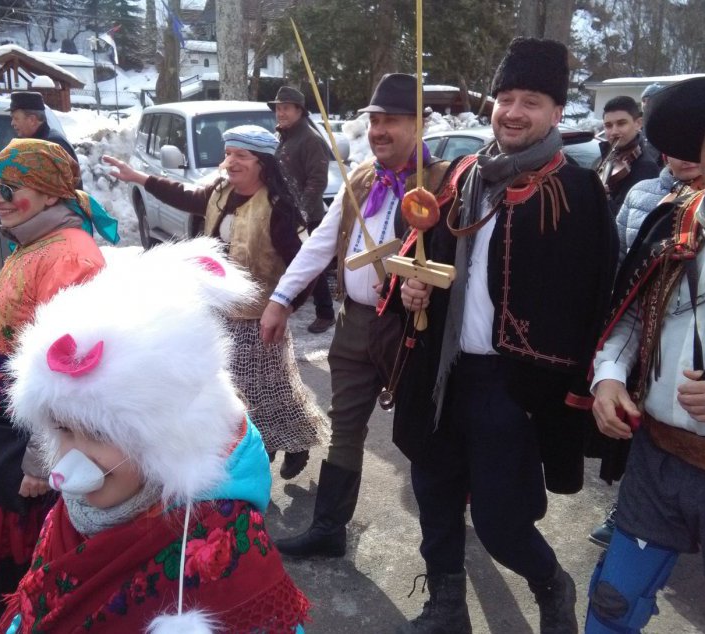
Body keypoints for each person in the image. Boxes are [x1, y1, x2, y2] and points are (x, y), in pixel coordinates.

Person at [394, 38, 617, 633]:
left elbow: (595, 300)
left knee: (499, 520)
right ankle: (445, 605)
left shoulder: (576, 191)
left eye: (532, 101)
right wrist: (418, 292)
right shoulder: (464, 174)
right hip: (445, 371)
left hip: (511, 384)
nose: (514, 111)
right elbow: (429, 258)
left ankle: (551, 583)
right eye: (506, 98)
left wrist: (570, 393)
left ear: (556, 112)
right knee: (434, 491)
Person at [0, 238, 311, 634]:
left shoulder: (223, 543)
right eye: (62, 430)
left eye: (96, 432)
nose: (71, 459)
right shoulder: (76, 509)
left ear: (169, 437)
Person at [587, 75, 705, 634]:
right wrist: (608, 376)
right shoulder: (670, 222)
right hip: (657, 459)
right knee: (613, 604)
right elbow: (628, 319)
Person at [0, 138, 119, 627]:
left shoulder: (69, 259)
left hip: (35, 433)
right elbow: (17, 321)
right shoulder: (32, 242)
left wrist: (40, 459)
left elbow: (69, 373)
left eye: (9, 187)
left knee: (35, 545)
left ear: (52, 194)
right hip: (10, 414)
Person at [259, 73, 451, 559]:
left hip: (411, 328)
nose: (380, 131)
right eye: (375, 121)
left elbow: (458, 261)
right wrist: (281, 300)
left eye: (392, 121)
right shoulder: (360, 176)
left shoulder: (445, 182)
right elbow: (323, 241)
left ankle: (444, 540)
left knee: (426, 431)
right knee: (345, 426)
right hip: (354, 323)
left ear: (419, 124)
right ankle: (328, 528)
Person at [102, 125, 327, 481]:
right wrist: (139, 177)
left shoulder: (279, 208)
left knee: (270, 388)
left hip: (260, 317)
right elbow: (185, 194)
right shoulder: (221, 192)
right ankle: (258, 453)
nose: (230, 162)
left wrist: (285, 307)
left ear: (262, 163)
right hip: (220, 312)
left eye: (241, 156)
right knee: (238, 389)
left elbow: (308, 265)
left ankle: (284, 446)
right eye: (228, 154)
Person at [588, 155, 702, 548]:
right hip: (656, 425)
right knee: (615, 598)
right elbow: (634, 302)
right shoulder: (665, 212)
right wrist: (609, 374)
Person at [268, 85, 334, 334]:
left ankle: (326, 313)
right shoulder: (283, 136)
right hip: (287, 213)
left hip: (309, 217)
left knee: (310, 264)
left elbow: (317, 181)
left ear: (299, 110)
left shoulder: (310, 139)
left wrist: (302, 215)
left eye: (285, 108)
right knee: (291, 261)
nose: (280, 113)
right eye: (277, 108)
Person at [598, 96, 660, 214]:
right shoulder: (609, 156)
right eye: (608, 125)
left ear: (638, 123)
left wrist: (604, 197)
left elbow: (628, 220)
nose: (614, 132)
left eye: (621, 123)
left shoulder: (646, 167)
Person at [7, 90, 81, 184]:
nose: (12, 123)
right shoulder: (36, 142)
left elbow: (60, 191)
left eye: (16, 118)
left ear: (32, 120)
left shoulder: (51, 146)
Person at [638, 83, 664, 167]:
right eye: (644, 100)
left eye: (649, 100)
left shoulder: (666, 123)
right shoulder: (639, 121)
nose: (645, 104)